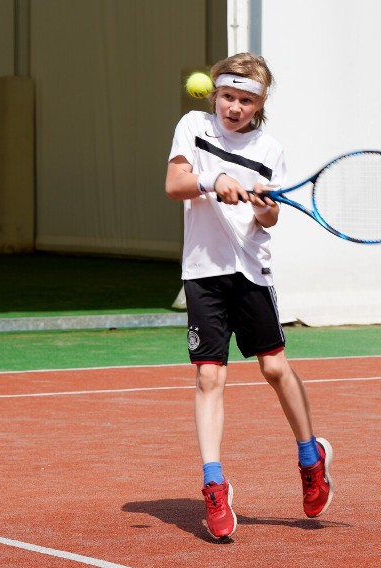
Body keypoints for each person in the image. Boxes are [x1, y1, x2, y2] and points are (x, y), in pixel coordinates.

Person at [164, 52, 333, 540]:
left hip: (250, 272)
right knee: (208, 379)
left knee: (274, 368)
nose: (234, 107)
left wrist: (262, 207)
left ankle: (310, 455)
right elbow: (175, 183)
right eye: (228, 96)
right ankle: (213, 483)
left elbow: (271, 219)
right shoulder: (193, 127)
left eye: (245, 100)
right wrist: (212, 181)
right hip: (202, 273)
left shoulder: (269, 148)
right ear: (214, 93)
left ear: (259, 105)